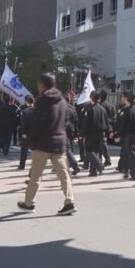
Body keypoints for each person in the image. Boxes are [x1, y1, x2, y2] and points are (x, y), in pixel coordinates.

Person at [17, 74, 76, 215]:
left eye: (39, 84)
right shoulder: (62, 100)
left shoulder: (42, 100)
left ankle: (29, 203)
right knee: (64, 174)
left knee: (36, 175)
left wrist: (32, 138)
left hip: (43, 143)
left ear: (43, 85)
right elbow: (66, 121)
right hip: (59, 142)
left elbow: (39, 123)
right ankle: (70, 202)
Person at [114, 92, 135, 181]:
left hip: (129, 135)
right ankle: (128, 171)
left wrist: (116, 134)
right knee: (131, 153)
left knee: (131, 154)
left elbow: (123, 125)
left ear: (127, 99)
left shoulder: (128, 110)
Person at [81, 91, 108, 177]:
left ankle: (99, 165)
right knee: (96, 151)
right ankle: (93, 171)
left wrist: (82, 133)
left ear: (91, 97)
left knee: (89, 151)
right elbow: (106, 122)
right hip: (101, 133)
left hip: (91, 133)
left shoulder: (90, 109)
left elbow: (86, 123)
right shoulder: (102, 109)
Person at [63, 95, 81, 176]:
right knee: (69, 148)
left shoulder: (62, 109)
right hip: (72, 131)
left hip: (64, 131)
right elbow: (77, 121)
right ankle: (69, 164)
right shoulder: (73, 109)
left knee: (67, 150)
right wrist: (77, 133)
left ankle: (75, 166)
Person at [17, 95, 35, 170]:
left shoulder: (24, 111)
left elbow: (23, 123)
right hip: (35, 133)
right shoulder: (37, 110)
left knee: (24, 149)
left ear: (27, 102)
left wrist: (23, 133)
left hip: (26, 133)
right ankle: (34, 166)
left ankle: (22, 165)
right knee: (35, 150)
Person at [98, 90, 115, 167]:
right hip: (109, 126)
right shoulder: (111, 106)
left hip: (101, 126)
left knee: (101, 143)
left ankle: (104, 159)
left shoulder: (99, 106)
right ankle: (104, 159)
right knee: (103, 143)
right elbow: (114, 118)